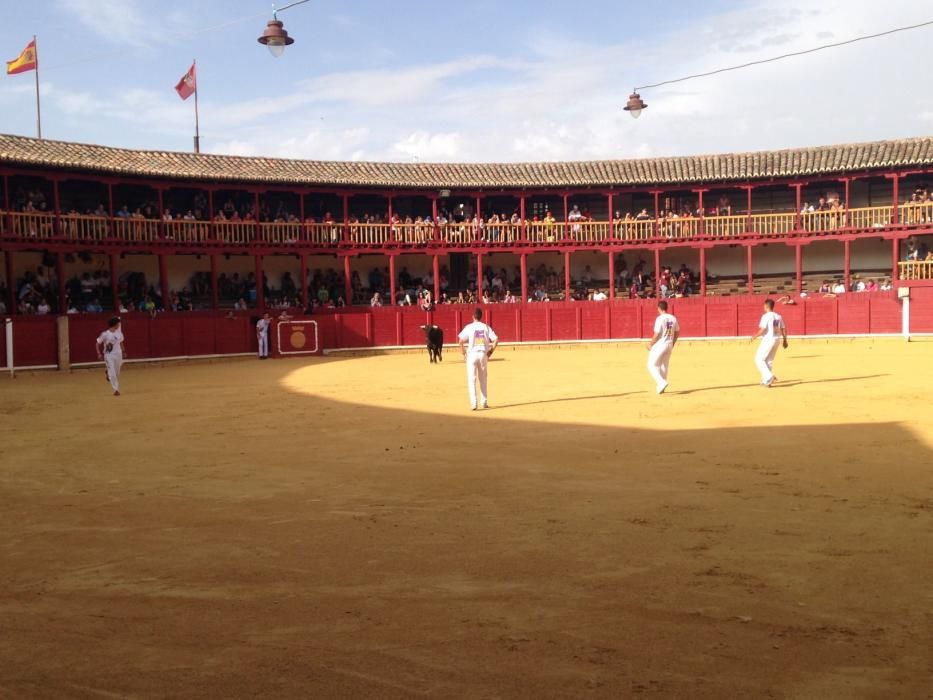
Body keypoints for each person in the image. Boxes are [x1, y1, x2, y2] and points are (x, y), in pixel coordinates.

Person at [457, 307, 499, 411]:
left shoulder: (469, 327)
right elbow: (496, 339)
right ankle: (484, 402)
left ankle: (474, 404)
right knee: (483, 379)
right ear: (481, 317)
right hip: (483, 355)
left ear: (473, 317)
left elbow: (460, 341)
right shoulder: (485, 327)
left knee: (472, 380)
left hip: (471, 355)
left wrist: (464, 353)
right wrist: (490, 352)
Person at [750, 299, 787, 387]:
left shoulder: (766, 316)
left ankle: (769, 376)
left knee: (758, 359)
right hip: (777, 339)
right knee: (769, 361)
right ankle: (766, 381)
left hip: (768, 339)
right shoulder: (778, 316)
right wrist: (785, 340)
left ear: (766, 306)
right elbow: (783, 329)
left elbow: (762, 330)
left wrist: (754, 336)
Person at [646, 301, 679, 394]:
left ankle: (661, 382)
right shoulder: (673, 318)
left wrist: (650, 344)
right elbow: (677, 332)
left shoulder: (660, 318)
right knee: (664, 365)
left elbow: (656, 334)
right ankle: (662, 387)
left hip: (661, 344)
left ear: (659, 308)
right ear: (666, 308)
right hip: (669, 344)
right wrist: (672, 343)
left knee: (651, 365)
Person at [96, 316, 126, 396]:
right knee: (112, 372)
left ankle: (108, 374)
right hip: (109, 355)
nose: (119, 324)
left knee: (117, 372)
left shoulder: (119, 333)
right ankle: (115, 389)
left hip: (118, 354)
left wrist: (123, 351)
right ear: (115, 324)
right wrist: (99, 353)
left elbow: (121, 342)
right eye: (118, 323)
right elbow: (97, 343)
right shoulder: (105, 334)